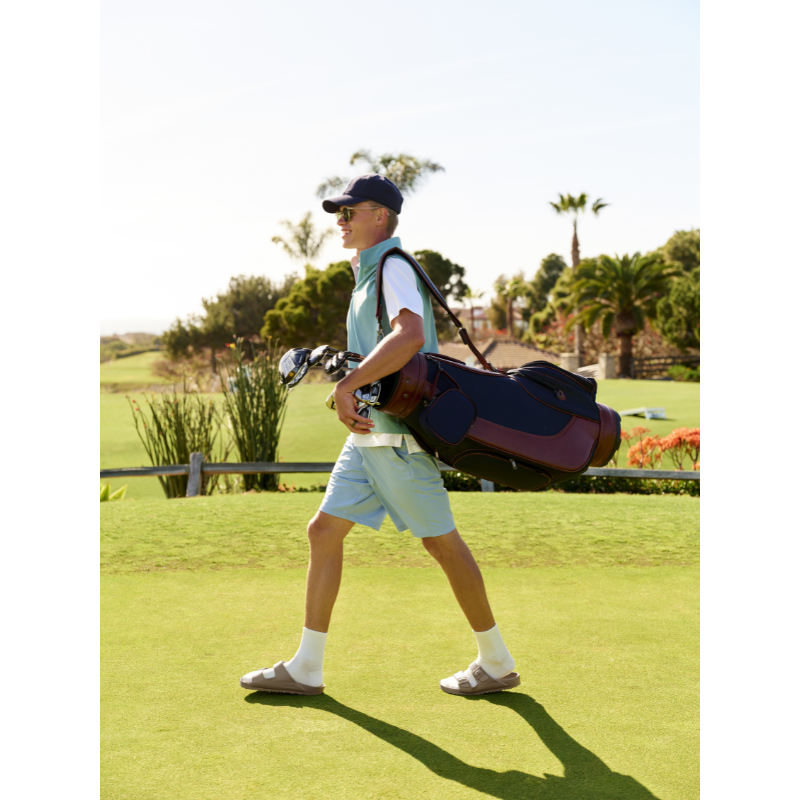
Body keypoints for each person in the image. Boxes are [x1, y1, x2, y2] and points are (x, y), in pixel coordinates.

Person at [240, 174, 519, 697]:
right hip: (370, 436)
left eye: (351, 212)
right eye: (338, 214)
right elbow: (383, 348)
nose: (340, 222)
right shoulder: (368, 273)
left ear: (381, 217)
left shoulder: (392, 267)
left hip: (398, 439)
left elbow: (410, 334)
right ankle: (307, 666)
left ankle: (497, 661)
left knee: (442, 544)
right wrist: (343, 366)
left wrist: (348, 383)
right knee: (323, 531)